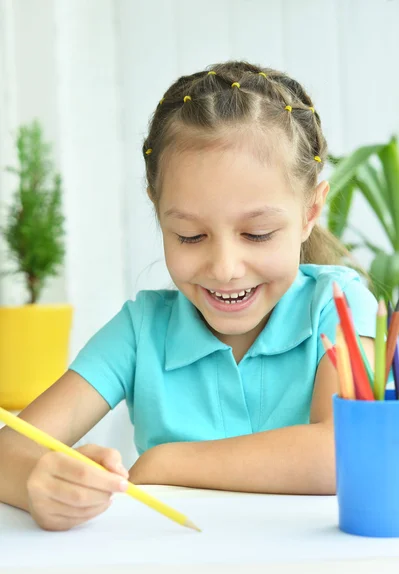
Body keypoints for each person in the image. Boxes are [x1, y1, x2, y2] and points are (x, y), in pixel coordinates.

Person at [0, 61, 377, 531]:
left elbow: (341, 454)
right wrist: (43, 481)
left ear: (310, 212)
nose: (224, 268)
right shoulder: (140, 332)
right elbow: (9, 450)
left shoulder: (337, 305)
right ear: (160, 214)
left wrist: (165, 463)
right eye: (190, 236)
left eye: (257, 234)